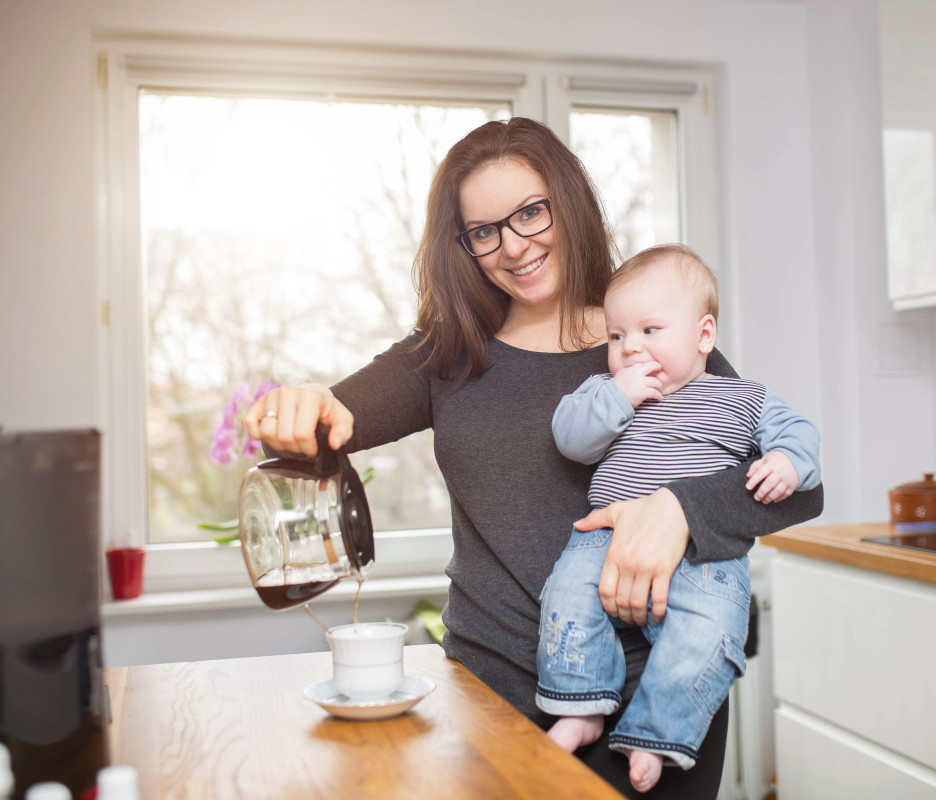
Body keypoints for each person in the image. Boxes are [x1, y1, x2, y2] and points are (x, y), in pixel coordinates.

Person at [242, 117, 824, 799]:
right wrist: (299, 408)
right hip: (491, 697)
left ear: (567, 202)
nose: (513, 246)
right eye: (484, 231)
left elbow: (799, 486)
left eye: (530, 213)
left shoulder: (647, 342)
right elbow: (330, 417)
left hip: (656, 702)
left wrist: (680, 510)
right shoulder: (445, 354)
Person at [538, 244, 821, 793]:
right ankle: (581, 704)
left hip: (704, 557)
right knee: (567, 594)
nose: (630, 349)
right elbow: (569, 438)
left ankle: (656, 731)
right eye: (617, 337)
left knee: (710, 631)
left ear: (704, 336)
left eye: (649, 331)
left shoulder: (743, 397)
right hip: (605, 538)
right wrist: (617, 396)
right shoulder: (606, 391)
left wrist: (788, 460)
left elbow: (799, 430)